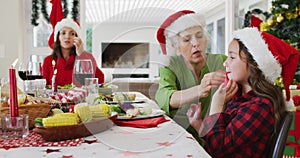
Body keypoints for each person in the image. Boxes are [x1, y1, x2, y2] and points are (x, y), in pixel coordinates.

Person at [187, 27, 299, 157]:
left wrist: (217, 105)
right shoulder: (238, 97)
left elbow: (217, 150)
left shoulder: (259, 106)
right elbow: (217, 140)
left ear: (255, 64)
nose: (225, 63)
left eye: (232, 57)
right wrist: (198, 124)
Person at [155, 10, 238, 144]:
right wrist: (200, 89)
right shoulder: (171, 65)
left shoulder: (222, 61)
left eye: (199, 36)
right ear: (175, 47)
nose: (195, 43)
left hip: (214, 136)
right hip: (177, 136)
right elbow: (166, 97)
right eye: (187, 39)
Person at [42, 18, 104, 87]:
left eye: (72, 33)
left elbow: (100, 80)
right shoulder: (48, 61)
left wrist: (82, 54)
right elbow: (43, 86)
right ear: (58, 37)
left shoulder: (87, 57)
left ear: (76, 38)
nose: (67, 36)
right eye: (63, 33)